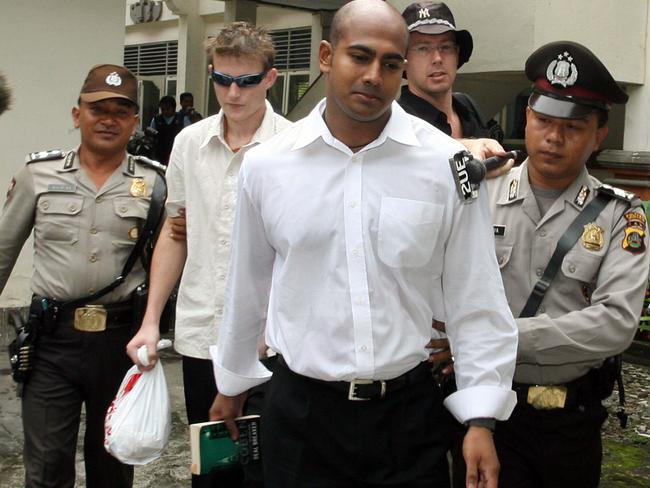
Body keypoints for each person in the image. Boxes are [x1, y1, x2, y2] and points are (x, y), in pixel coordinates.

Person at [210, 1, 518, 487]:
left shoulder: (445, 164)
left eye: (391, 63)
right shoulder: (268, 166)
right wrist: (232, 381)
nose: (375, 75)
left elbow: (475, 295)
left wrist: (480, 416)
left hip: (408, 418)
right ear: (327, 56)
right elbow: (247, 283)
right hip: (302, 414)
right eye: (360, 57)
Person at [126, 21, 291, 488]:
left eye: (246, 81)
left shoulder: (294, 147)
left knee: (269, 469)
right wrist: (152, 318)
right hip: (203, 332)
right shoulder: (189, 143)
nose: (233, 93)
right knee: (213, 469)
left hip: (272, 339)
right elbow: (175, 234)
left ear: (270, 78)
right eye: (222, 80)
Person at [487, 41, 650, 487]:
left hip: (570, 422)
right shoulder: (482, 195)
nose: (553, 138)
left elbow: (617, 323)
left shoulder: (620, 214)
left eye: (573, 127)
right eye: (543, 121)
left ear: (600, 134)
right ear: (527, 118)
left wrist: (497, 338)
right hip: (486, 410)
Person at [0, 64, 165, 488]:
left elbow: (167, 262)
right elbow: (3, 253)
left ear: (134, 121)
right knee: (48, 467)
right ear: (78, 115)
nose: (108, 119)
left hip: (120, 341)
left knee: (112, 463)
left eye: (120, 111)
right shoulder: (39, 176)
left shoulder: (155, 184)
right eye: (97, 109)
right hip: (51, 341)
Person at [398, 2, 494, 140]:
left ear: (457, 54)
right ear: (404, 59)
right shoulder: (397, 120)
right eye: (423, 49)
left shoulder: (467, 107)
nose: (437, 58)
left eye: (446, 47)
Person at [150, 95, 184, 164]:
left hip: (177, 152)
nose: (165, 111)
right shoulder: (156, 119)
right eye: (163, 109)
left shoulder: (182, 119)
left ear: (173, 108)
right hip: (160, 153)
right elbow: (151, 134)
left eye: (168, 109)